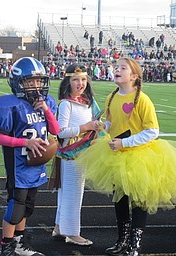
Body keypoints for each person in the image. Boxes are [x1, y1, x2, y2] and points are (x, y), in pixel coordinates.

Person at [76, 57, 176, 256]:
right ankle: (122, 239)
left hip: (140, 156)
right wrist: (103, 126)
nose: (117, 69)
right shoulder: (112, 97)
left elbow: (152, 131)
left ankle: (135, 243)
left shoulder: (142, 99)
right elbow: (113, 123)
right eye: (117, 67)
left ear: (134, 76)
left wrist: (125, 143)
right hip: (116, 156)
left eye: (123, 68)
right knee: (119, 198)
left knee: (139, 199)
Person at [0, 57, 60, 256]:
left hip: (36, 165)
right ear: (18, 82)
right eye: (30, 82)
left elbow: (56, 129)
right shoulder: (9, 106)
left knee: (28, 206)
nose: (36, 86)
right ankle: (6, 246)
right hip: (18, 165)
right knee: (16, 206)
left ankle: (19, 244)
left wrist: (46, 111)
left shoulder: (46, 103)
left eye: (39, 81)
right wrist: (25, 142)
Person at [51, 64, 104, 246]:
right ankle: (72, 233)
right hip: (70, 155)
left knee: (67, 192)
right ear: (68, 81)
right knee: (73, 194)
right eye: (75, 79)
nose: (80, 83)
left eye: (83, 79)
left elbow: (99, 121)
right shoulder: (66, 104)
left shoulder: (88, 102)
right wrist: (86, 127)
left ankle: (59, 227)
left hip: (83, 154)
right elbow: (61, 132)